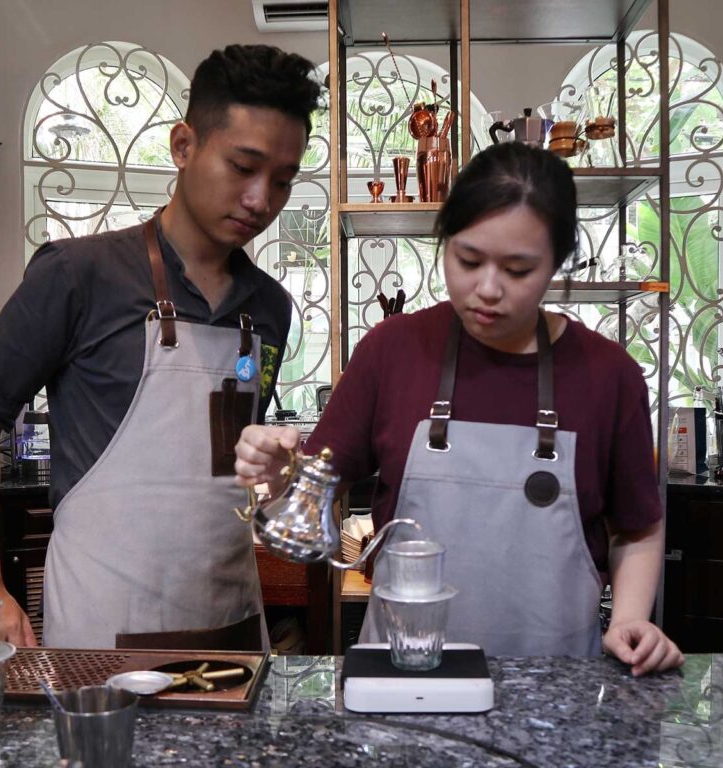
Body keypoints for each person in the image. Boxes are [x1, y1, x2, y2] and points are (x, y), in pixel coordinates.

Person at [235, 142, 684, 675]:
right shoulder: (392, 350)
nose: (487, 290)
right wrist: (277, 466)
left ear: (557, 263)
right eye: (468, 260)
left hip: (558, 685)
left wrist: (632, 617)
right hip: (399, 676)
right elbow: (315, 485)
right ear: (444, 242)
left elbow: (637, 528)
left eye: (518, 270)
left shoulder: (609, 375)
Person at [0, 44, 322, 650]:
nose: (261, 200)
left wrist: (280, 481)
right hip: (101, 629)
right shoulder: (78, 274)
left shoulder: (271, 309)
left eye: (282, 181)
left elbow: (234, 471)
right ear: (183, 146)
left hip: (230, 626)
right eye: (243, 167)